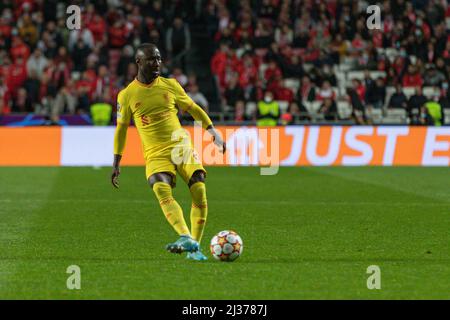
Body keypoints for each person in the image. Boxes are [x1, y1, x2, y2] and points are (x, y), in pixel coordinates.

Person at [111, 43, 225, 261]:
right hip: (155, 153)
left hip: (180, 146)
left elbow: (193, 109)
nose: (157, 63)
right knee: (161, 187)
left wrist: (212, 131)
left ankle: (195, 246)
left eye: (159, 58)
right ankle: (184, 235)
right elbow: (121, 130)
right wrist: (116, 163)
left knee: (199, 187)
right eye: (151, 59)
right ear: (138, 62)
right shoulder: (126, 95)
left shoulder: (171, 85)